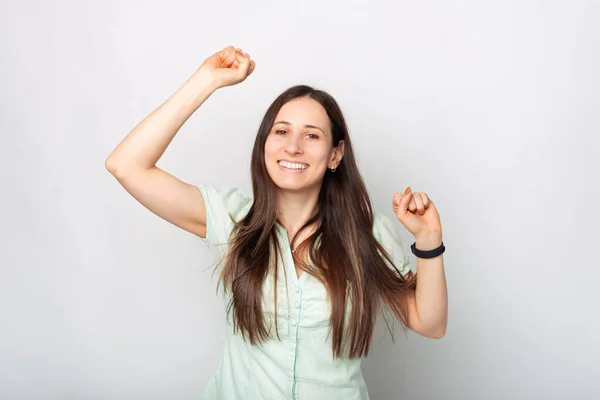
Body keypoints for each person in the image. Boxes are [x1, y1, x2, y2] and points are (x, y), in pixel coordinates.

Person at [105, 45, 448, 400]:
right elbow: (126, 165)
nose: (294, 147)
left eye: (312, 135)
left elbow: (430, 323)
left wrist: (429, 239)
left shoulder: (368, 233)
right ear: (264, 144)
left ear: (335, 154)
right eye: (281, 132)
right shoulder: (230, 220)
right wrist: (207, 80)